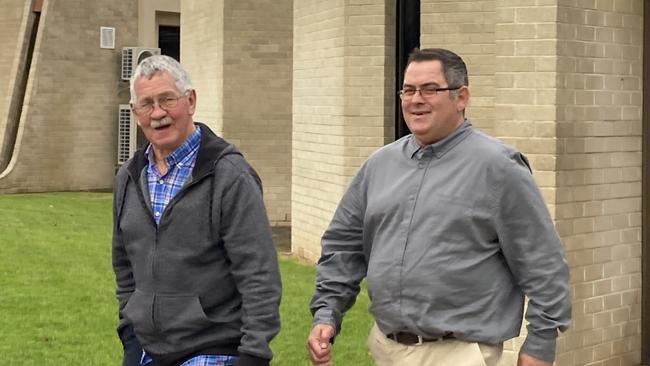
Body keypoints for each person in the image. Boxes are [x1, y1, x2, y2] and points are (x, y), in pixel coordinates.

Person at [306, 48, 571, 366]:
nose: (416, 99)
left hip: (459, 354)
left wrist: (540, 344)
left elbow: (543, 262)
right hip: (386, 349)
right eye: (408, 89)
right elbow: (343, 246)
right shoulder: (379, 166)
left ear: (461, 97)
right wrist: (327, 313)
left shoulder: (499, 168)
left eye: (430, 89)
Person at [112, 55, 281, 366]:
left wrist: (254, 354)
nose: (158, 113)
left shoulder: (230, 176)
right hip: (146, 352)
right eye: (147, 104)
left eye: (167, 99)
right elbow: (124, 265)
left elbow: (259, 274)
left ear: (190, 100)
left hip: (212, 350)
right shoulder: (129, 177)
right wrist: (130, 335)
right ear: (136, 114)